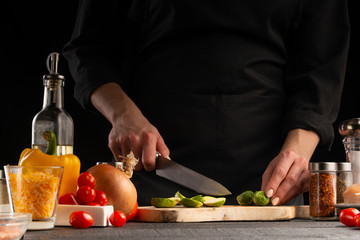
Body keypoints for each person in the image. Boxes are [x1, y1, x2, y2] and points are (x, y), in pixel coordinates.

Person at [63, 0, 350, 206]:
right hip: (152, 167)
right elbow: (89, 49)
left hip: (271, 176)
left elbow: (323, 64)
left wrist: (298, 151)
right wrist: (123, 115)